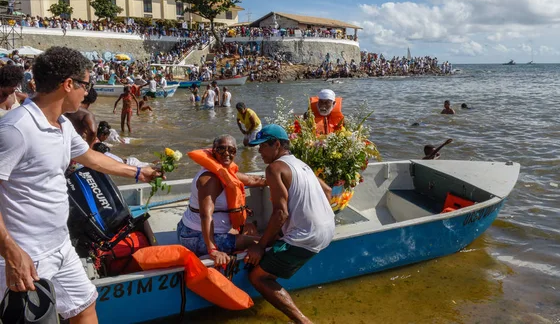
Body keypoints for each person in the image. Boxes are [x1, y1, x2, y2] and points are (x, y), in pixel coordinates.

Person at [0, 46, 163, 323]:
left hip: (60, 245)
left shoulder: (61, 124)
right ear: (68, 85)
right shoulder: (16, 130)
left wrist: (138, 172)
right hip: (23, 252)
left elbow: (91, 158)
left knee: (85, 307)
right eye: (85, 85)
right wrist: (12, 253)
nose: (87, 92)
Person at [245, 125, 335, 324]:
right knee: (276, 242)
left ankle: (303, 321)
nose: (259, 151)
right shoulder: (302, 165)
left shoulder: (274, 168)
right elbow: (328, 191)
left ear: (276, 144)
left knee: (258, 277)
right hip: (328, 230)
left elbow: (280, 213)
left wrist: (260, 246)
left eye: (262, 146)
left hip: (306, 236)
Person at [177, 135, 267, 265]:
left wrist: (276, 180)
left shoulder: (225, 172)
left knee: (250, 228)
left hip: (191, 230)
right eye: (221, 149)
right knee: (262, 242)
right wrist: (212, 249)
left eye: (231, 150)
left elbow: (252, 180)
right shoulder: (210, 180)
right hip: (195, 237)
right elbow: (205, 216)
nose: (226, 153)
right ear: (213, 151)